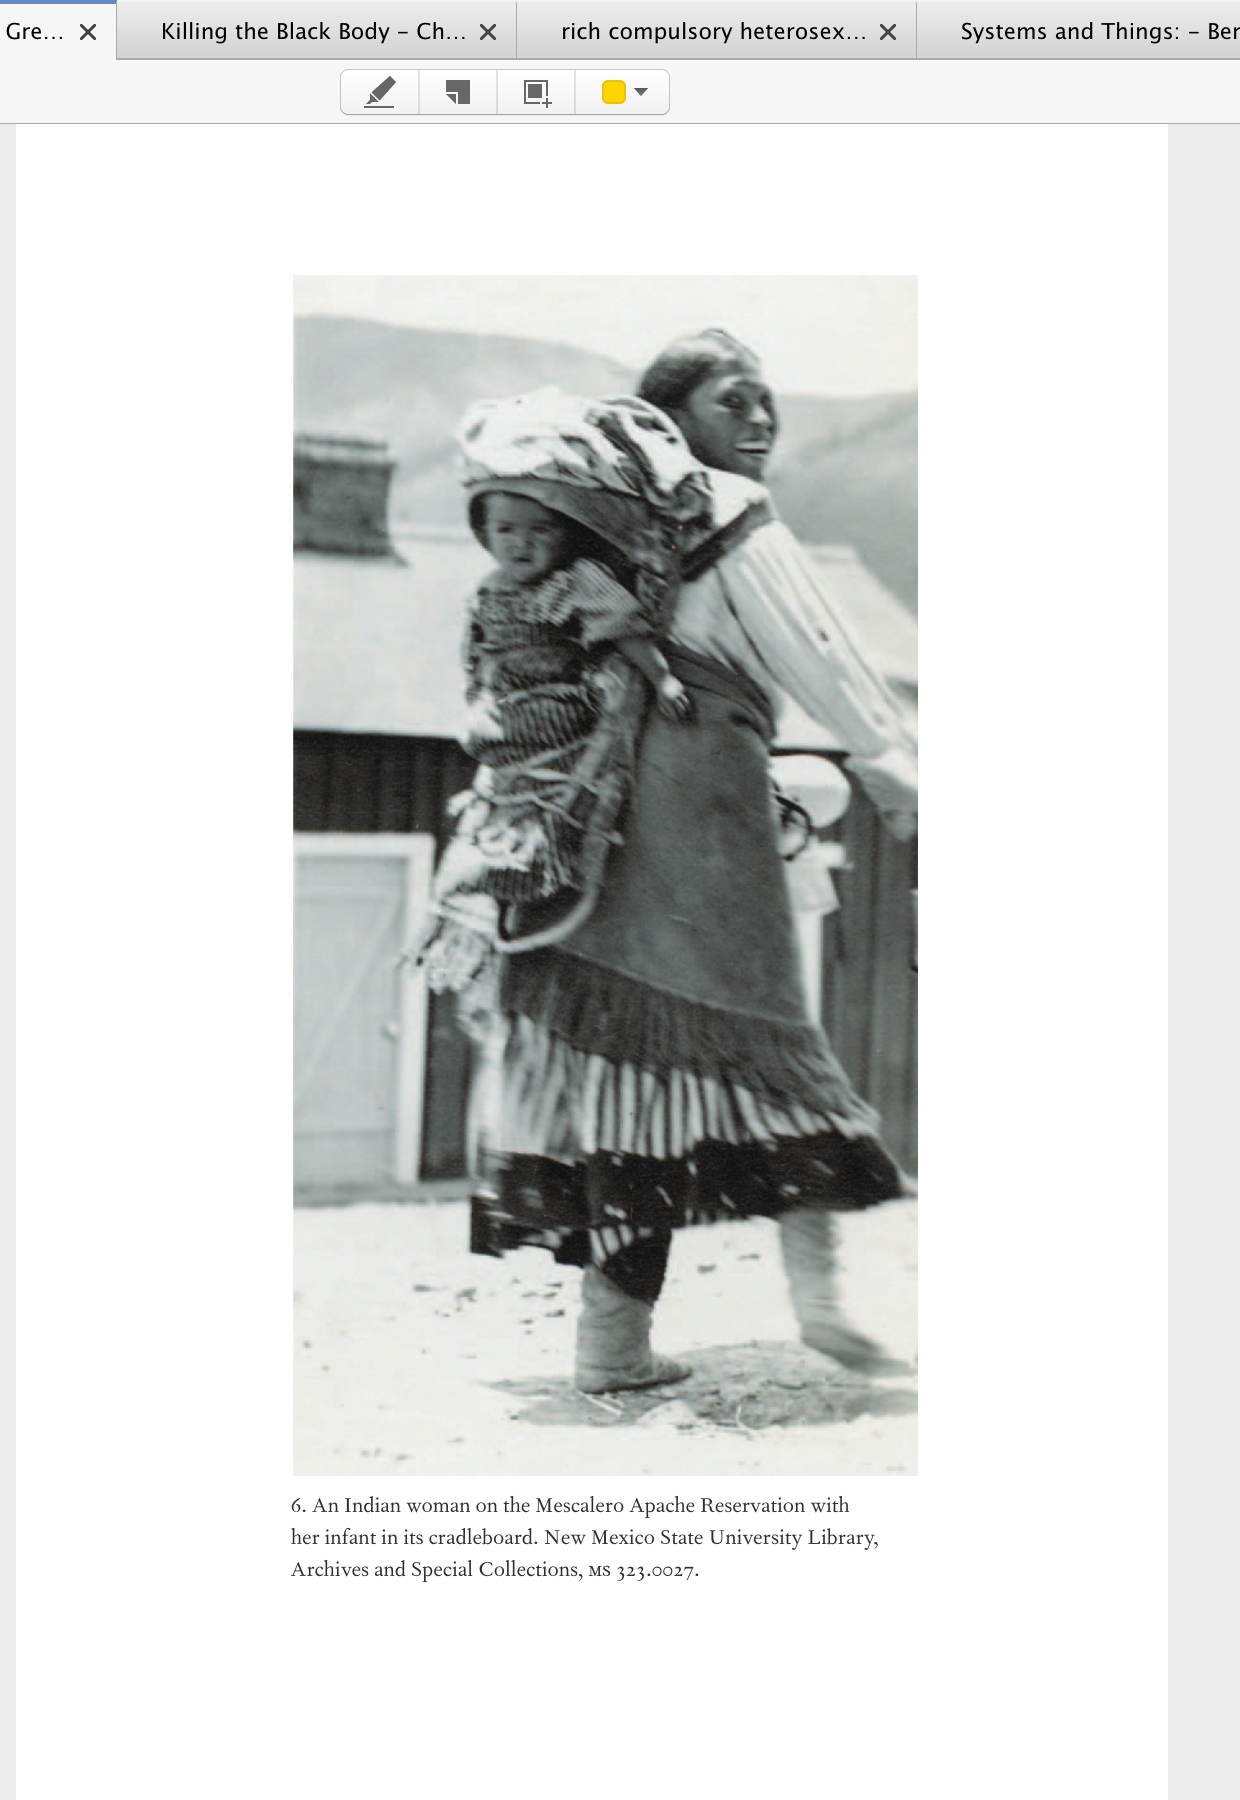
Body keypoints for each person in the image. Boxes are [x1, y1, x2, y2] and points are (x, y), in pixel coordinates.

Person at [464, 334, 918, 1393]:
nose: (760, 415)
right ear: (676, 416)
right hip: (692, 815)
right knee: (768, 1049)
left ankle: (610, 1343)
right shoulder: (721, 512)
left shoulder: (591, 528)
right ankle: (822, 1308)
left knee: (629, 1079)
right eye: (733, 397)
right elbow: (829, 665)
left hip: (581, 828)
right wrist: (904, 775)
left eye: (768, 396)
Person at [417, 389, 710, 986]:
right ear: (486, 532)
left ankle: (522, 857)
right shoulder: (487, 592)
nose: (520, 544)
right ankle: (483, 876)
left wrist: (662, 678)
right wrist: (478, 691)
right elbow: (476, 652)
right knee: (489, 752)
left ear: (565, 537)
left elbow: (620, 631)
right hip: (505, 704)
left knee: (537, 757)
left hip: (557, 699)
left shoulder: (575, 583)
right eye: (505, 529)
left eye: (539, 531)